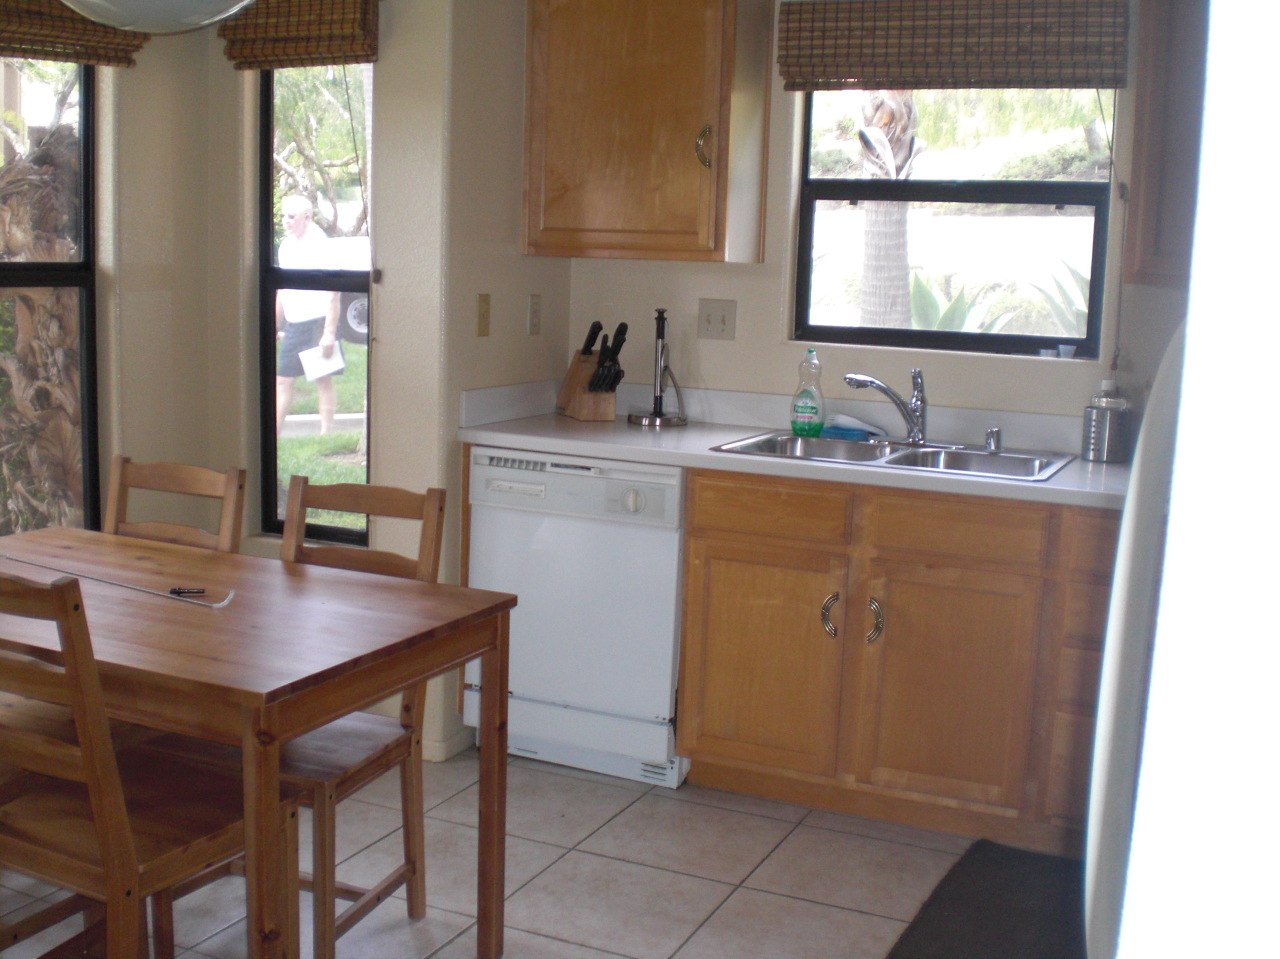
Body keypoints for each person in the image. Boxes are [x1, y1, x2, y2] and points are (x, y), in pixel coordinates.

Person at [275, 195, 341, 436]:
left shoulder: (321, 245)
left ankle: (326, 433)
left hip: (318, 322)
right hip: (294, 324)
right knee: (282, 380)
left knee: (322, 379)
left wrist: (329, 333)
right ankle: (275, 434)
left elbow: (333, 293)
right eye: (283, 216)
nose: (285, 221)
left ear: (307, 217)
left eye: (291, 217)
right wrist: (274, 324)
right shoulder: (285, 247)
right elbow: (281, 289)